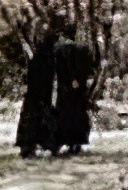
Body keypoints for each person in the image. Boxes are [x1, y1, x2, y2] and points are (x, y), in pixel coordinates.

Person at [16, 27, 58, 159]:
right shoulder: (50, 60)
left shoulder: (36, 60)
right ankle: (46, 144)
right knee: (42, 120)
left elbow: (29, 78)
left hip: (32, 96)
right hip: (43, 96)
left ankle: (28, 146)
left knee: (31, 121)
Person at [53, 27, 96, 155]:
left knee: (65, 115)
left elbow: (58, 71)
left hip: (64, 89)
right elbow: (87, 69)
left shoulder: (58, 51)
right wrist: (78, 80)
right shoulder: (82, 50)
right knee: (77, 115)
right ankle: (76, 142)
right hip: (78, 91)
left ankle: (65, 141)